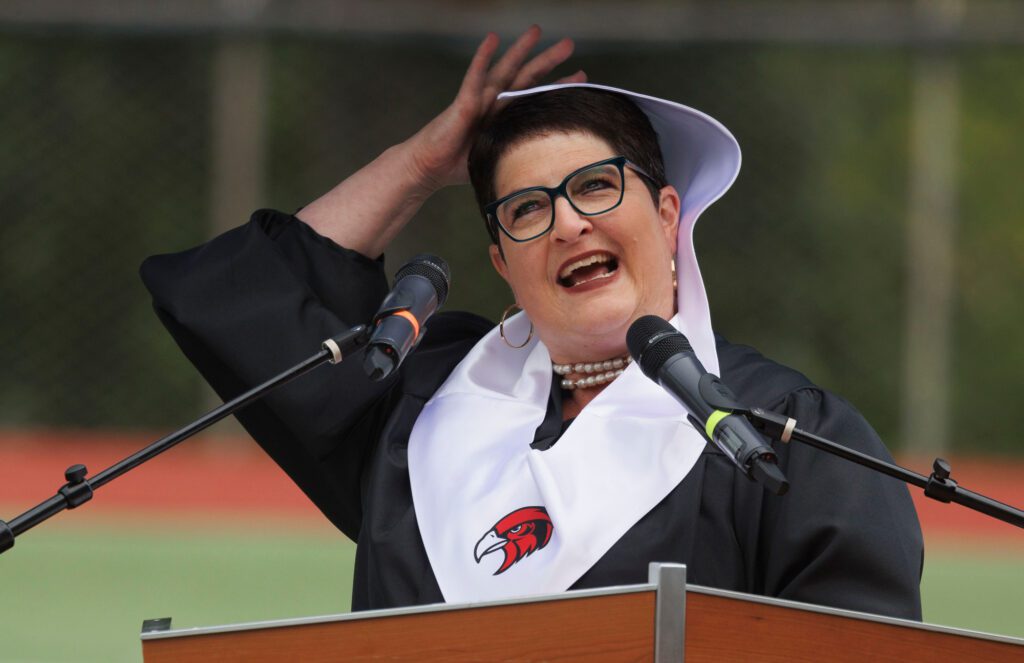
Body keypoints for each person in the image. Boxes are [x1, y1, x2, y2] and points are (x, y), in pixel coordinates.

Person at [141, 27, 922, 618]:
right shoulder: (420, 403)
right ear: (502, 265)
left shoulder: (783, 441)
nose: (567, 224)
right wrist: (419, 165)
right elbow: (234, 292)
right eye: (526, 208)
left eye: (595, 186)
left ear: (668, 212)